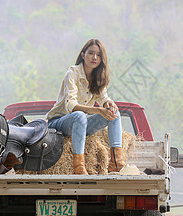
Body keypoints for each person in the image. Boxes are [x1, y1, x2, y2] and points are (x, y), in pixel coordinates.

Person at [46, 39, 125, 175]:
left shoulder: (99, 77)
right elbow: (71, 105)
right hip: (59, 123)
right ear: (83, 55)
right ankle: (79, 167)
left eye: (99, 55)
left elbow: (103, 98)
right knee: (80, 115)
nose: (95, 57)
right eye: (91, 53)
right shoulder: (73, 72)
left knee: (114, 113)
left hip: (80, 125)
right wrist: (98, 110)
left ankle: (116, 163)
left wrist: (108, 104)